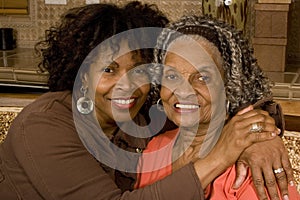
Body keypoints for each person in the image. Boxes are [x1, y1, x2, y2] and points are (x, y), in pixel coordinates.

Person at [0, 2, 293, 200]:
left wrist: (259, 136)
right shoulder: (45, 125)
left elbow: (204, 108)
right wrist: (221, 156)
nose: (128, 86)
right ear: (82, 74)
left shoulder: (141, 118)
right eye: (109, 69)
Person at [135, 15, 300, 200]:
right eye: (172, 77)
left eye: (203, 78)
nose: (184, 91)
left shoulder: (255, 166)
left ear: (229, 85)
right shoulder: (153, 151)